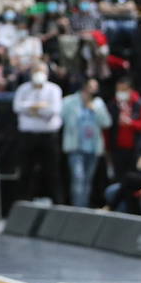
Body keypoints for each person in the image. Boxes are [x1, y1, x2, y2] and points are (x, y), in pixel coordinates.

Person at [13, 62, 64, 203]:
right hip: (28, 136)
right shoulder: (23, 89)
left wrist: (32, 109)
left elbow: (53, 111)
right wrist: (39, 107)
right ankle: (23, 202)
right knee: (26, 171)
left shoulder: (54, 89)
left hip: (48, 136)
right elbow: (18, 107)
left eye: (41, 71)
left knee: (52, 172)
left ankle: (57, 203)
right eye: (35, 71)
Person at [61, 79, 111, 208]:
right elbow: (61, 119)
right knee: (78, 178)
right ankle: (78, 208)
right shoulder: (69, 101)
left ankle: (84, 208)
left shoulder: (98, 103)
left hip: (93, 148)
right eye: (92, 86)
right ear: (84, 87)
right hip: (76, 147)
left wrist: (95, 110)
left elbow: (107, 123)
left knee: (87, 181)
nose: (94, 89)